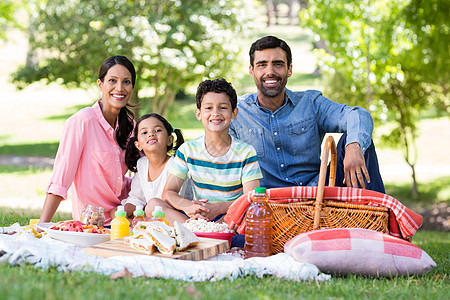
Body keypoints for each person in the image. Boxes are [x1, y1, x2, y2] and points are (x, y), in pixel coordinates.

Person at [229, 36, 385, 193]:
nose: (270, 72)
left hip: (317, 193)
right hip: (268, 201)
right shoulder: (236, 112)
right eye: (262, 65)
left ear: (289, 69)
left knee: (358, 142)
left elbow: (358, 115)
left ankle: (375, 215)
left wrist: (354, 145)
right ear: (251, 71)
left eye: (278, 64)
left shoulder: (310, 103)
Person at [39, 55, 136, 225]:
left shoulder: (131, 126)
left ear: (132, 87)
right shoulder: (81, 122)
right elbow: (60, 180)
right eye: (112, 80)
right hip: (93, 224)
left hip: (126, 217)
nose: (119, 88)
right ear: (100, 84)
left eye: (126, 82)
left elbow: (147, 173)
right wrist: (41, 227)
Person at [154, 78, 263, 225]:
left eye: (223, 107)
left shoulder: (246, 153)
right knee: (154, 205)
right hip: (198, 216)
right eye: (208, 108)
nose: (215, 113)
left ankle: (211, 232)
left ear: (234, 113)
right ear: (198, 113)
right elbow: (168, 193)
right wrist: (188, 206)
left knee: (248, 212)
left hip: (231, 216)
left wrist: (218, 208)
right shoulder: (187, 150)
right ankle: (194, 229)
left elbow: (251, 198)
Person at [121, 113, 185, 220]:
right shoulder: (142, 164)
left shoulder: (176, 165)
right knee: (117, 212)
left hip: (178, 216)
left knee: (153, 205)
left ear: (170, 140)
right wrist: (124, 211)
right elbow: (136, 198)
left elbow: (175, 204)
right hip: (153, 214)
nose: (151, 134)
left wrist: (145, 217)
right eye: (144, 132)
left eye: (157, 130)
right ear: (138, 145)